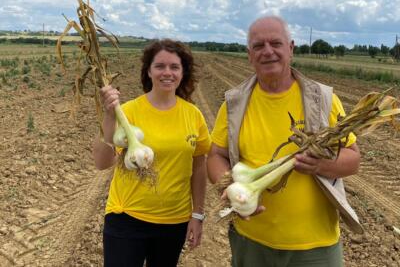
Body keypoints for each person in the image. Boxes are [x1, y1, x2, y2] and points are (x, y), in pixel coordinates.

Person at [207, 16, 362, 267]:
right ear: (249, 54)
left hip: (315, 246)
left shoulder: (322, 99)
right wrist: (227, 185)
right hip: (251, 240)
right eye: (258, 46)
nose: (268, 51)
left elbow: (353, 160)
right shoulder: (234, 103)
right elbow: (216, 155)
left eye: (275, 43)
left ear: (290, 49)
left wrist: (319, 165)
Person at [93, 39, 211, 267]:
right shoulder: (127, 112)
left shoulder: (193, 115)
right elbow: (101, 162)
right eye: (160, 66)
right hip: (126, 218)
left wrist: (197, 214)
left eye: (174, 67)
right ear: (148, 71)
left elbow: (198, 166)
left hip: (173, 222)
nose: (167, 73)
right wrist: (109, 116)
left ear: (183, 72)